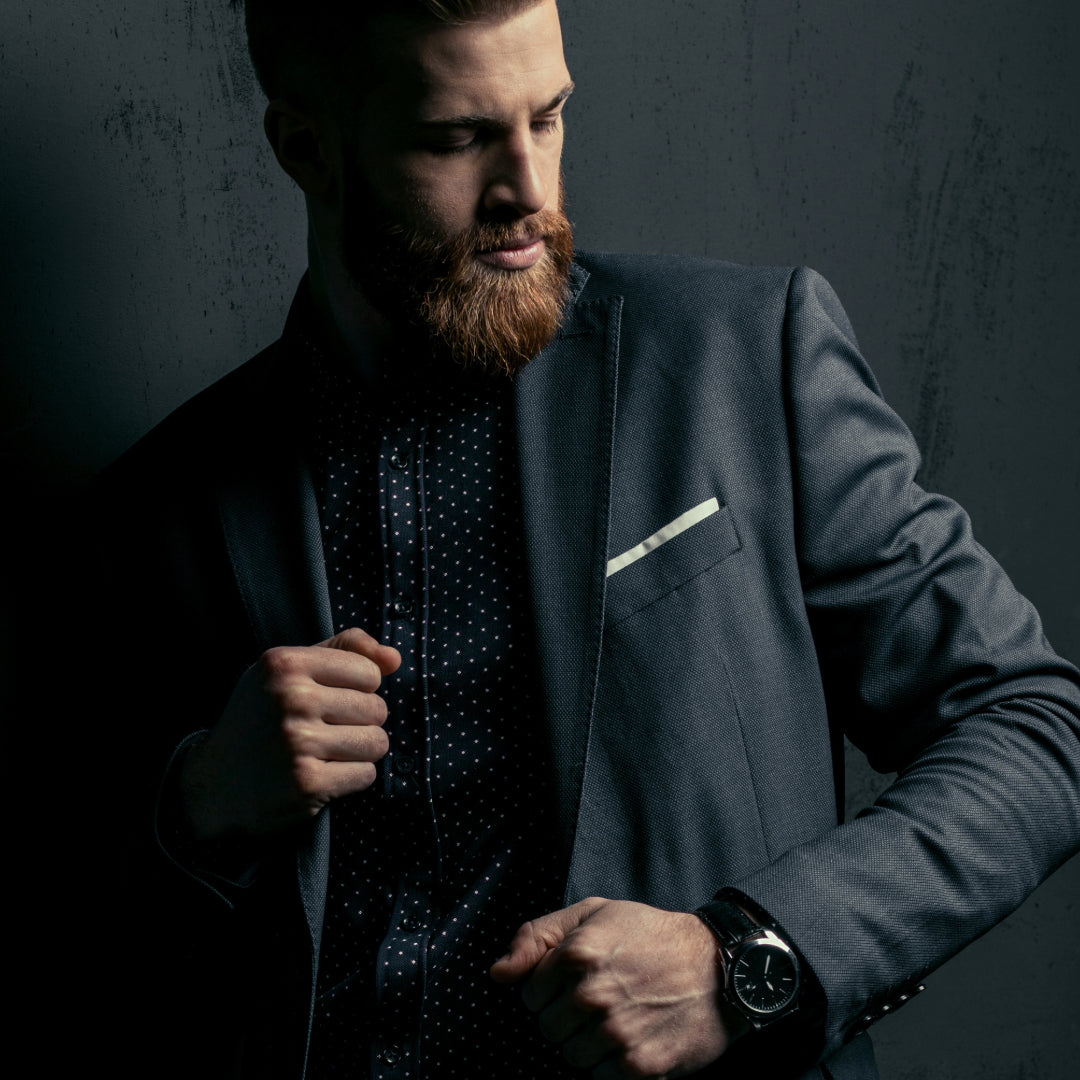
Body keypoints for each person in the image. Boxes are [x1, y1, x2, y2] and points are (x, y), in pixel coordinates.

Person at [88, 1, 1080, 1078]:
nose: (528, 191)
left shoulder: (744, 359)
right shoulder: (164, 504)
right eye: (458, 138)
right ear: (307, 148)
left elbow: (1034, 728)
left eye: (549, 116)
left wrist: (749, 954)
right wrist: (201, 808)